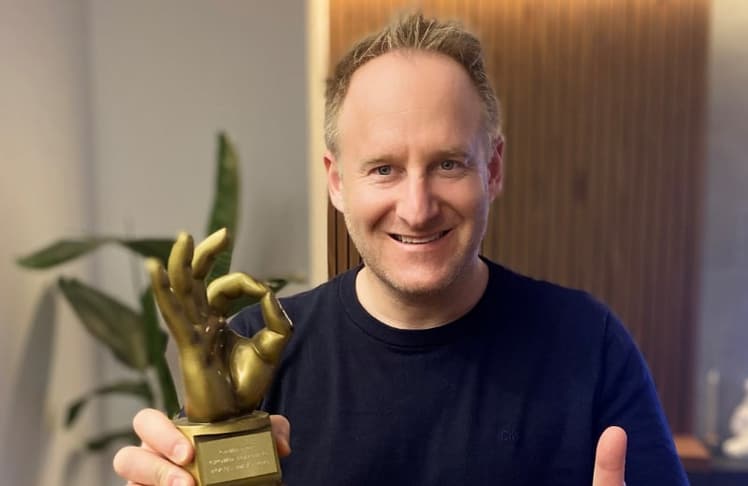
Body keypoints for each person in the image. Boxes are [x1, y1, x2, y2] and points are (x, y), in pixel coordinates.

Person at [113, 12, 687, 485]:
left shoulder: (588, 344)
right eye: (384, 168)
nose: (417, 207)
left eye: (448, 163)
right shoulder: (255, 357)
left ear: (492, 169)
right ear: (337, 181)